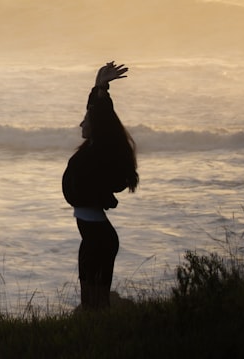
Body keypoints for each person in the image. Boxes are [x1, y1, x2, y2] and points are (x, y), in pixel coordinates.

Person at [61, 61, 139, 309]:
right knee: (88, 301)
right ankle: (89, 333)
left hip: (99, 238)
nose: (80, 124)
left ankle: (100, 336)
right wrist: (97, 86)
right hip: (92, 236)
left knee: (98, 304)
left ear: (96, 126)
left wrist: (101, 89)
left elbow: (101, 115)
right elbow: (97, 113)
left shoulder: (99, 150)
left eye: (85, 120)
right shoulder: (93, 149)